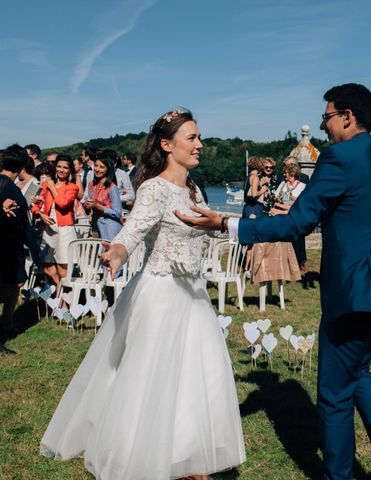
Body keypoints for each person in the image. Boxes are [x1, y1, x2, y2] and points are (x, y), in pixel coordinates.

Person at [177, 84, 371, 480]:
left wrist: (226, 222)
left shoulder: (338, 157)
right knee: (357, 371)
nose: (323, 126)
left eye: (326, 117)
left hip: (355, 291)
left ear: (346, 116)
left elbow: (296, 223)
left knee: (334, 394)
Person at [41, 107, 245, 480]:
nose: (200, 144)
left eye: (199, 137)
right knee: (152, 377)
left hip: (193, 295)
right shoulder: (154, 189)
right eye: (192, 138)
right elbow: (131, 233)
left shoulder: (193, 188)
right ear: (167, 145)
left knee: (194, 376)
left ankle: (186, 456)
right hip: (162, 293)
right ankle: (140, 448)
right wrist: (116, 253)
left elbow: (203, 227)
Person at [31, 155, 79, 292]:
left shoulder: (72, 187)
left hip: (64, 230)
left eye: (65, 167)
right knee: (47, 267)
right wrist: (40, 214)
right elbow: (35, 205)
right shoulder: (45, 185)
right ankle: (59, 294)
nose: (61, 170)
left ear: (70, 170)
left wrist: (52, 187)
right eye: (59, 166)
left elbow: (63, 204)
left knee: (63, 269)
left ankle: (63, 302)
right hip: (48, 229)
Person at [1, 145, 31, 354]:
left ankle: (6, 325)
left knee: (12, 289)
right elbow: (20, 229)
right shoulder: (13, 191)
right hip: (6, 250)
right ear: (21, 167)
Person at [82, 155, 123, 241]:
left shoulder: (112, 187)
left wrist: (99, 207)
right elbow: (90, 202)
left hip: (109, 225)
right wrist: (88, 205)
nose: (97, 169)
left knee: (107, 252)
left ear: (108, 169)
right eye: (96, 165)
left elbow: (118, 213)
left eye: (101, 167)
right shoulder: (91, 184)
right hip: (95, 224)